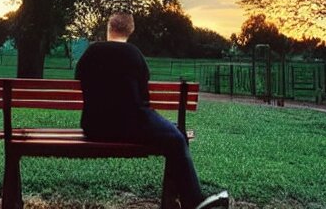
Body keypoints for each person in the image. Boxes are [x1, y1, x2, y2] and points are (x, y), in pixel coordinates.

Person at [75, 11, 229, 209]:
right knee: (177, 137)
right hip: (131, 126)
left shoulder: (91, 53)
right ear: (130, 30)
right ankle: (193, 201)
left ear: (109, 28)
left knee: (173, 132)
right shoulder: (134, 55)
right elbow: (143, 101)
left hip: (94, 127)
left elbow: (82, 81)